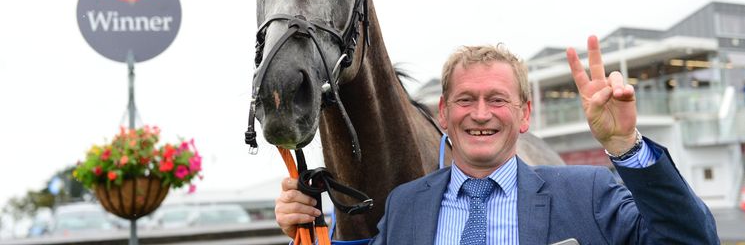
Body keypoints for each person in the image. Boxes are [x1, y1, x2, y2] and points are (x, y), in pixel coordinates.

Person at [275, 36, 719, 244]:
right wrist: (305, 227)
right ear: (443, 114)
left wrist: (626, 146)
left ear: (524, 114)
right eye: (465, 99)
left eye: (498, 99)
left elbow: (691, 241)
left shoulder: (588, 194)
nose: (481, 113)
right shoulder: (406, 206)